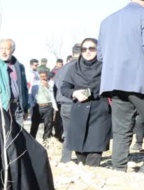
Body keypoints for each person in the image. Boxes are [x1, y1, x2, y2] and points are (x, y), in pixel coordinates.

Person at [98, 0, 144, 175]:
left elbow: (101, 56)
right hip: (141, 80)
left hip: (115, 82)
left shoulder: (108, 20)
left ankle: (118, 167)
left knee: (121, 127)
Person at [60, 37, 113, 168]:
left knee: (95, 149)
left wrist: (90, 93)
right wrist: (74, 93)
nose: (87, 52)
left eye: (92, 48)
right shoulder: (74, 68)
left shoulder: (106, 67)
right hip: (79, 111)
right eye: (84, 49)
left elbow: (111, 86)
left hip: (99, 111)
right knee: (80, 151)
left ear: (98, 50)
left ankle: (93, 176)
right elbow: (64, 88)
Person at [53, 43, 82, 163]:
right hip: (76, 102)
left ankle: (66, 158)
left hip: (63, 103)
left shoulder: (62, 69)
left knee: (68, 131)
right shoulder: (80, 67)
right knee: (80, 131)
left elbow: (55, 87)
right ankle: (81, 158)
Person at [29, 68, 58, 141]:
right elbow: (30, 96)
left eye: (44, 76)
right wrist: (33, 106)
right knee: (34, 126)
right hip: (38, 107)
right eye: (41, 76)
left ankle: (46, 141)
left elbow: (53, 94)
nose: (43, 78)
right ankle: (32, 141)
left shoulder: (51, 83)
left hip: (48, 107)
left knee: (48, 125)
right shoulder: (35, 84)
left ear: (47, 76)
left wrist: (47, 86)